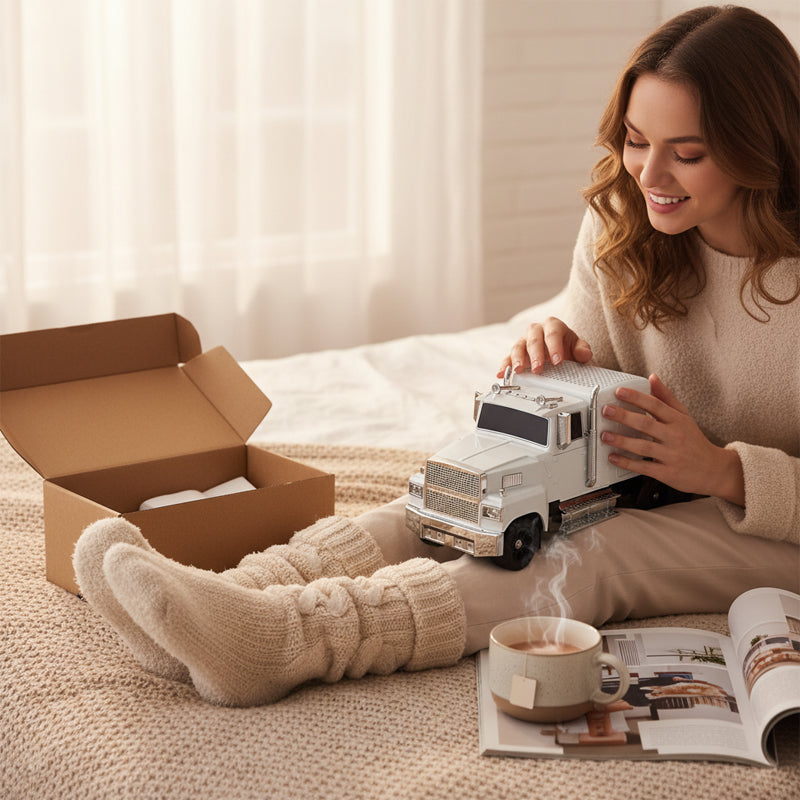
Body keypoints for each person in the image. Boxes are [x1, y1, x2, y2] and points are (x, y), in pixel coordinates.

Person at [74, 5, 800, 706]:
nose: (649, 174)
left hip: (771, 524)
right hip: (652, 481)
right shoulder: (627, 219)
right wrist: (554, 352)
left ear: (758, 148)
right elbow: (595, 366)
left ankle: (290, 641)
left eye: (689, 154)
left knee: (588, 555)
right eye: (637, 140)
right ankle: (237, 591)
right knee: (437, 503)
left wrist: (724, 469)